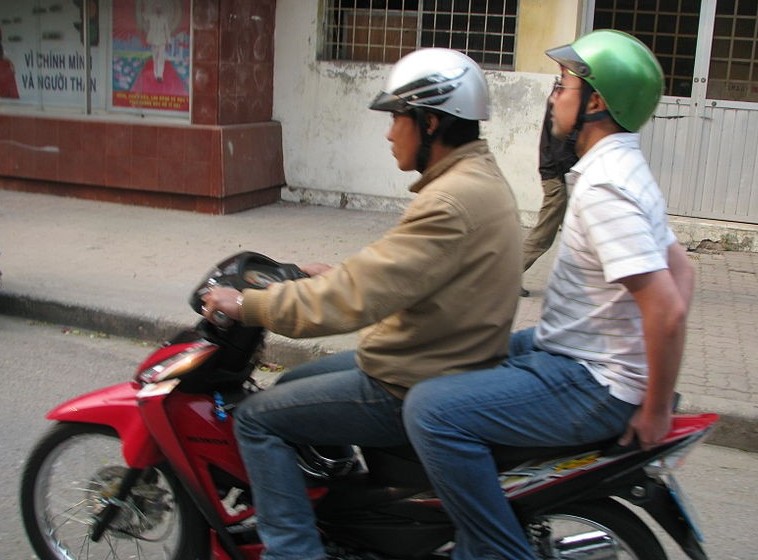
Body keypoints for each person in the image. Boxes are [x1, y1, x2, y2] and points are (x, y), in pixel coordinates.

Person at [201, 48, 522, 560]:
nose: (390, 131)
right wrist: (337, 274)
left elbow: (350, 302)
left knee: (257, 419)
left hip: (410, 380)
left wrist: (249, 305)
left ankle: (292, 552)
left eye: (397, 117)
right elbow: (400, 271)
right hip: (436, 355)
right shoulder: (475, 179)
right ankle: (343, 510)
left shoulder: (446, 201)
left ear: (431, 122)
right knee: (292, 384)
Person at [402, 29, 695, 559]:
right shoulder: (622, 167)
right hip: (582, 354)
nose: (554, 96)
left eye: (563, 84)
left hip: (590, 380)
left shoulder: (605, 187)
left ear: (597, 101)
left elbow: (667, 308)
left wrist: (652, 407)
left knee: (430, 411)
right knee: (466, 353)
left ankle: (493, 549)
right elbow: (685, 272)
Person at [520, 101, 577, 296]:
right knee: (544, 235)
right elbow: (561, 147)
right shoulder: (565, 101)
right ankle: (505, 278)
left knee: (576, 235)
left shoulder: (563, 96)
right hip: (559, 177)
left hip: (560, 174)